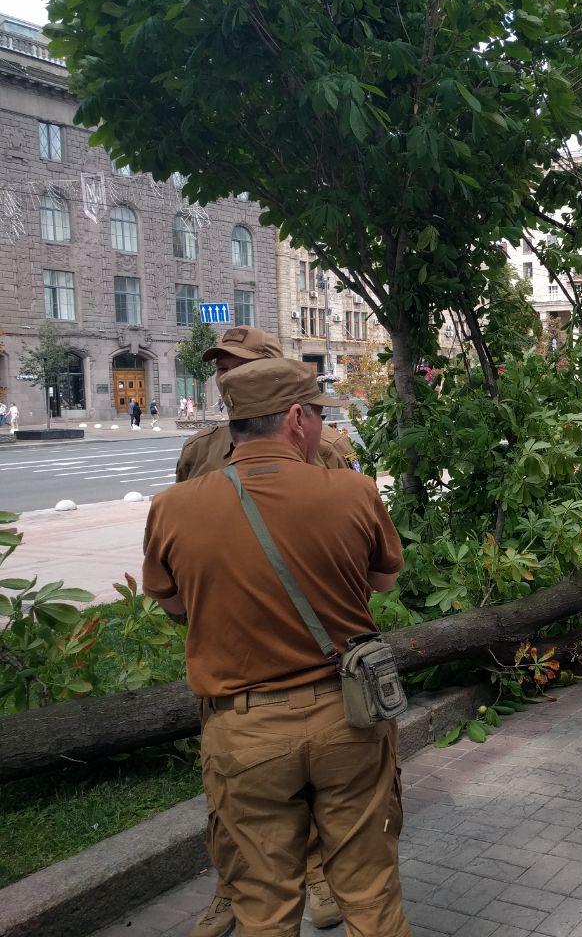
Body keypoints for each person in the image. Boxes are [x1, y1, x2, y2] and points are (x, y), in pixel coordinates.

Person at [143, 358, 407, 937]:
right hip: (349, 720)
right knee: (369, 891)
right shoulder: (353, 491)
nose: (322, 431)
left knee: (262, 905)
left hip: (244, 732)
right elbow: (383, 582)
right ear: (294, 418)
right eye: (317, 416)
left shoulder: (172, 508)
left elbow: (173, 605)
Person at [174, 327, 358, 937]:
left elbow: (356, 550)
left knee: (311, 778)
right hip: (230, 658)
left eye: (239, 364)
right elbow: (179, 553)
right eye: (221, 365)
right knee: (231, 792)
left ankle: (316, 873)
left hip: (311, 653)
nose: (226, 374)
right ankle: (231, 888)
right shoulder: (202, 451)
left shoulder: (326, 446)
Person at [177, 327, 360, 483]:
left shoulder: (328, 448)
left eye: (244, 369)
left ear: (277, 371)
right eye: (222, 369)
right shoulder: (198, 450)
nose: (228, 379)